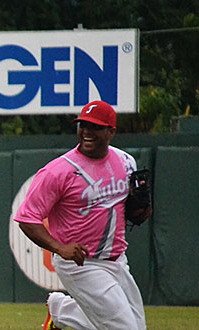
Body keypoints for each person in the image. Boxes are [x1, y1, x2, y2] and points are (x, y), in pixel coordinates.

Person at [13, 100, 151, 330]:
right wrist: (59, 248)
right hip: (80, 263)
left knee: (135, 326)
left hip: (117, 259)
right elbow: (27, 218)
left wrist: (140, 211)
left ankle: (62, 310)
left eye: (95, 127)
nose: (86, 132)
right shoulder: (58, 171)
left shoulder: (126, 161)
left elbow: (132, 209)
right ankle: (63, 310)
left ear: (111, 132)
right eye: (82, 125)